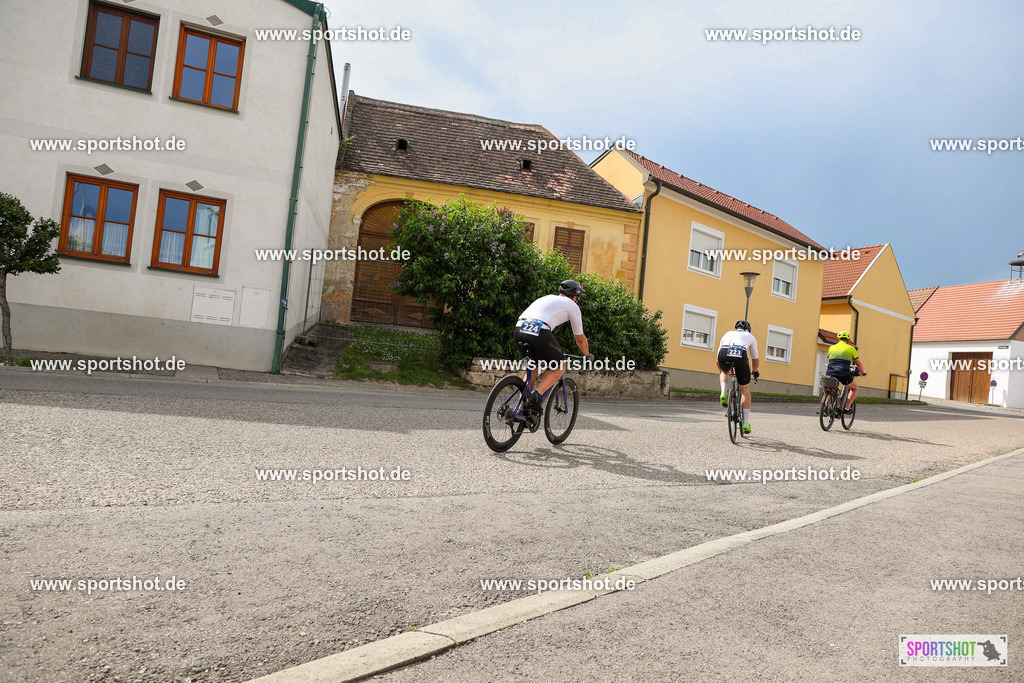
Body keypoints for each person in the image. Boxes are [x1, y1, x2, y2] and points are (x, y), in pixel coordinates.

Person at [514, 280, 591, 413]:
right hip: (540, 330)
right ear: (574, 297)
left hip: (519, 329)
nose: (577, 301)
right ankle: (536, 395)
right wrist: (587, 356)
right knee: (561, 365)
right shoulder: (571, 305)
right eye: (577, 299)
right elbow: (580, 339)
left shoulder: (547, 298)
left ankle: (520, 409)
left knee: (533, 366)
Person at [716, 320, 760, 434]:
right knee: (745, 390)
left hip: (724, 354)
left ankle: (723, 393)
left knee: (724, 373)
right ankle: (745, 422)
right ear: (748, 329)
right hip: (740, 354)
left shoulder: (727, 334)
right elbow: (755, 359)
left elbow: (717, 360)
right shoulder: (750, 336)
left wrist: (722, 370)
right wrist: (755, 371)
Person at [826, 331, 867, 412]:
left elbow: (829, 362)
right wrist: (863, 372)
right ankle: (847, 408)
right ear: (848, 340)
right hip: (843, 373)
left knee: (831, 389)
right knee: (855, 388)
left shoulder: (831, 348)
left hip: (830, 372)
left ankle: (826, 407)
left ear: (838, 339)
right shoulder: (851, 349)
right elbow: (858, 363)